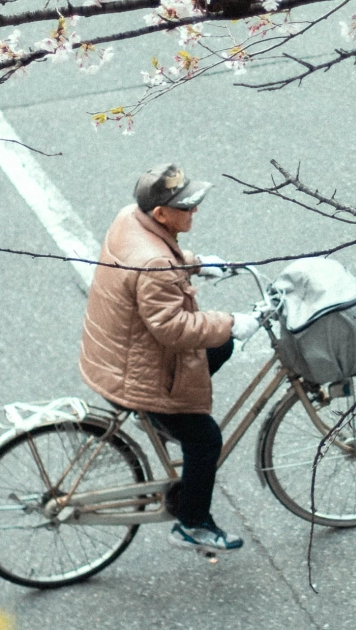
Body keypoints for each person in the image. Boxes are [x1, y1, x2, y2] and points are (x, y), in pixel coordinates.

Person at [79, 163, 260, 554]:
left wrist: (196, 263)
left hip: (113, 354)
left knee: (219, 347)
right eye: (188, 206)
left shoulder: (132, 219)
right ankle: (193, 524)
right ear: (161, 213)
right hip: (135, 375)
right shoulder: (155, 263)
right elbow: (173, 328)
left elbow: (158, 263)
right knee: (206, 440)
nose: (195, 211)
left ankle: (166, 422)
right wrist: (231, 322)